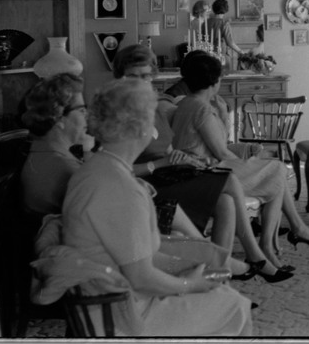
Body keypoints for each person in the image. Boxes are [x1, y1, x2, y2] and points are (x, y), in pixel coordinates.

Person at [60, 77, 252, 336]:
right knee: (235, 305)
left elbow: (141, 256)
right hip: (121, 315)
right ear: (140, 129)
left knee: (223, 293)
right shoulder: (121, 187)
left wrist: (195, 265)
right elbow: (141, 277)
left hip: (103, 299)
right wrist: (190, 284)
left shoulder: (95, 169)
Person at [113, 44, 286, 282]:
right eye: (133, 76)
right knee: (228, 179)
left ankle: (219, 278)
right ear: (120, 77)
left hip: (169, 174)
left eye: (145, 76)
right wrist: (159, 164)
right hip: (145, 185)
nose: (140, 82)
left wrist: (184, 158)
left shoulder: (153, 107)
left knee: (225, 202)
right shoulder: (117, 112)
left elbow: (168, 148)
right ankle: (254, 255)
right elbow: (115, 169)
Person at [172, 53, 309, 276]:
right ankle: (278, 240)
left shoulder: (188, 104)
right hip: (205, 171)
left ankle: (275, 243)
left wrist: (249, 158)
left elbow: (215, 146)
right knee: (277, 169)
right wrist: (248, 160)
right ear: (216, 81)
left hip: (201, 167)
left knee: (273, 171)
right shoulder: (201, 108)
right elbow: (221, 151)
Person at [20, 73, 92, 216]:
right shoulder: (69, 171)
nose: (87, 116)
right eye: (81, 110)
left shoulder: (39, 150)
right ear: (58, 119)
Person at [207, 0, 245, 66]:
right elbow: (230, 43)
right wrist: (241, 51)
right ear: (225, 9)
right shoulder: (224, 24)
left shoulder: (205, 22)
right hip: (221, 56)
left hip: (207, 55)